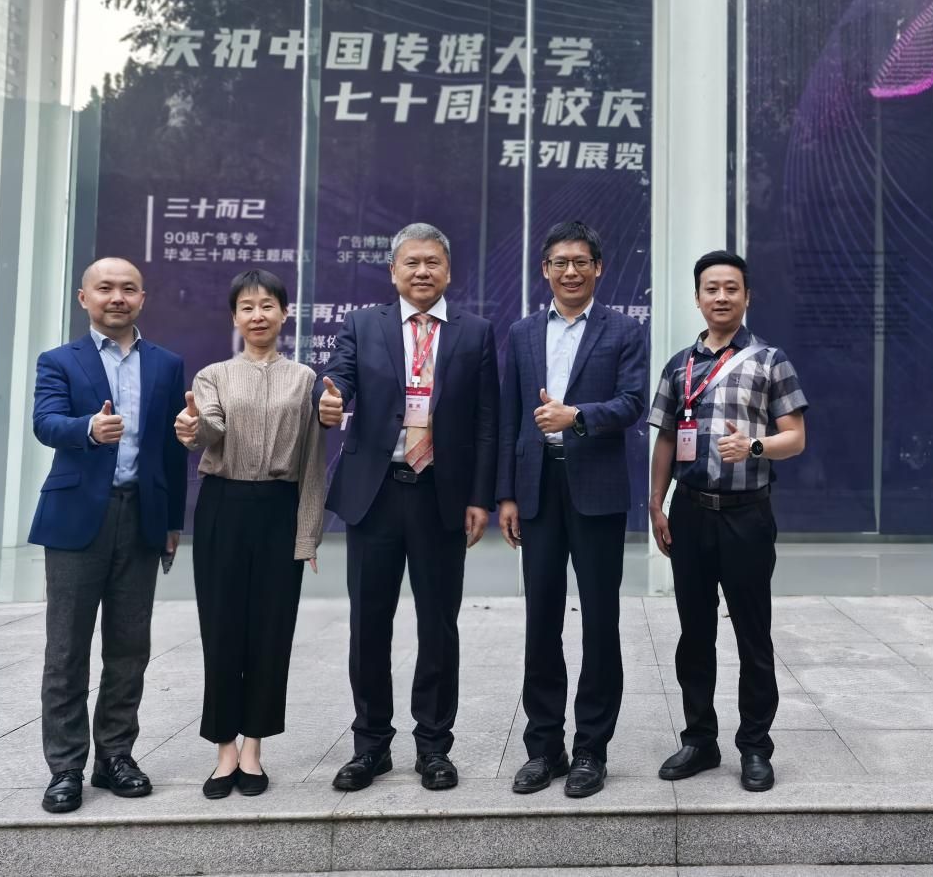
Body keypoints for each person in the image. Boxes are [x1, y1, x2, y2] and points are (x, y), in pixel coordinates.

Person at [318, 223, 498, 792]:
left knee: (438, 625)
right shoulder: (362, 325)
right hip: (376, 495)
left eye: (433, 263)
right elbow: (339, 379)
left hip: (441, 495)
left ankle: (434, 746)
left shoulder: (476, 332)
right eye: (412, 263)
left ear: (448, 271)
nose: (422, 272)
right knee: (368, 624)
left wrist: (480, 498)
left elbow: (487, 422)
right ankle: (370, 745)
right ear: (393, 271)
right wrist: (330, 399)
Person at [30, 257, 187, 813]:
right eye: (105, 288)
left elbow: (171, 449)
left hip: (140, 518)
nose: (116, 297)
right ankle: (65, 767)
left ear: (142, 298)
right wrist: (89, 429)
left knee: (129, 647)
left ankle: (115, 756)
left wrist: (172, 522)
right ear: (84, 298)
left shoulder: (166, 364)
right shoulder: (59, 361)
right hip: (76, 518)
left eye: (128, 289)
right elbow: (46, 422)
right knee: (67, 649)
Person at [496, 221, 648, 798]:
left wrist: (576, 416)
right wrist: (507, 494)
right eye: (559, 262)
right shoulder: (522, 333)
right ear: (545, 270)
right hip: (537, 489)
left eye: (581, 261)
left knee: (600, 622)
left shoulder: (623, 330)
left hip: (597, 490)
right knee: (541, 620)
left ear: (598, 268)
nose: (570, 271)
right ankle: (544, 748)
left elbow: (632, 403)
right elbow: (511, 416)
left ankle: (591, 750)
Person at [647, 250, 807, 792]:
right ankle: (700, 740)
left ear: (747, 297)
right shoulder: (678, 366)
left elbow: (795, 437)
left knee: (752, 635)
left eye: (731, 288)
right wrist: (656, 502)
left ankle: (755, 747)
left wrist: (755, 445)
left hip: (746, 515)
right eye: (711, 288)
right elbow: (665, 438)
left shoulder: (770, 360)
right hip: (690, 513)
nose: (721, 297)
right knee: (694, 634)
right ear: (697, 298)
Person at [173, 269, 326, 799]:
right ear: (234, 317)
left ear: (284, 313)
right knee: (221, 629)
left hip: (280, 509)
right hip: (224, 507)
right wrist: (194, 428)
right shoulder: (212, 376)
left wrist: (307, 533)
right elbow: (210, 428)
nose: (257, 316)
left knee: (271, 630)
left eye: (267, 306)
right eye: (247, 307)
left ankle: (254, 748)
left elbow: (312, 463)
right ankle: (224, 750)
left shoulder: (305, 379)